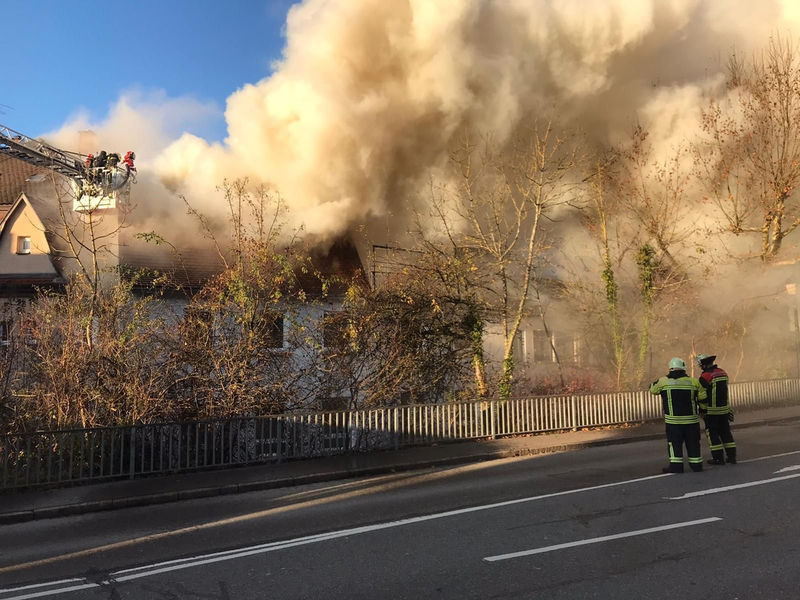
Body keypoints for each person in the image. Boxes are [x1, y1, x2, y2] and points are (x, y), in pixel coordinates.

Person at [650, 357, 707, 473]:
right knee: (693, 443)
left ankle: (676, 466)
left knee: (674, 443)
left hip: (673, 422)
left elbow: (653, 390)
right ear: (684, 368)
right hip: (691, 421)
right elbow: (703, 398)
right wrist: (703, 411)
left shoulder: (663, 381)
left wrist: (655, 382)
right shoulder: (694, 381)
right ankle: (696, 465)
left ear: (670, 368)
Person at [696, 353, 737, 465]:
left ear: (702, 364)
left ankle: (718, 458)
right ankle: (732, 456)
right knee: (726, 433)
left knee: (712, 434)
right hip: (724, 410)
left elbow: (702, 395)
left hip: (712, 411)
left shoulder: (705, 376)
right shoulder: (722, 372)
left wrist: (702, 410)